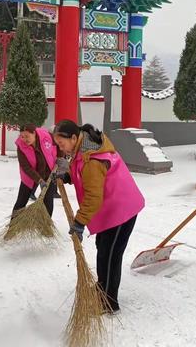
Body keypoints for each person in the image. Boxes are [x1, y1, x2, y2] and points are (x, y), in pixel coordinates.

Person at [53, 120, 145, 314]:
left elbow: (93, 197)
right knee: (102, 250)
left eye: (62, 144)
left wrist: (79, 222)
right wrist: (68, 177)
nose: (61, 149)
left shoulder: (92, 159)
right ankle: (102, 288)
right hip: (109, 208)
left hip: (121, 209)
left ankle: (109, 302)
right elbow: (82, 173)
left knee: (110, 255)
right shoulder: (83, 149)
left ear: (74, 137)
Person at [12, 124, 59, 217]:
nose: (25, 139)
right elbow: (25, 167)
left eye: (27, 136)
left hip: (48, 172)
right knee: (21, 201)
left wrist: (61, 157)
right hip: (30, 175)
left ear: (34, 133)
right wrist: (39, 180)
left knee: (48, 201)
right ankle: (12, 226)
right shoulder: (20, 145)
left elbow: (58, 143)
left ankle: (45, 225)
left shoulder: (46, 136)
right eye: (22, 136)